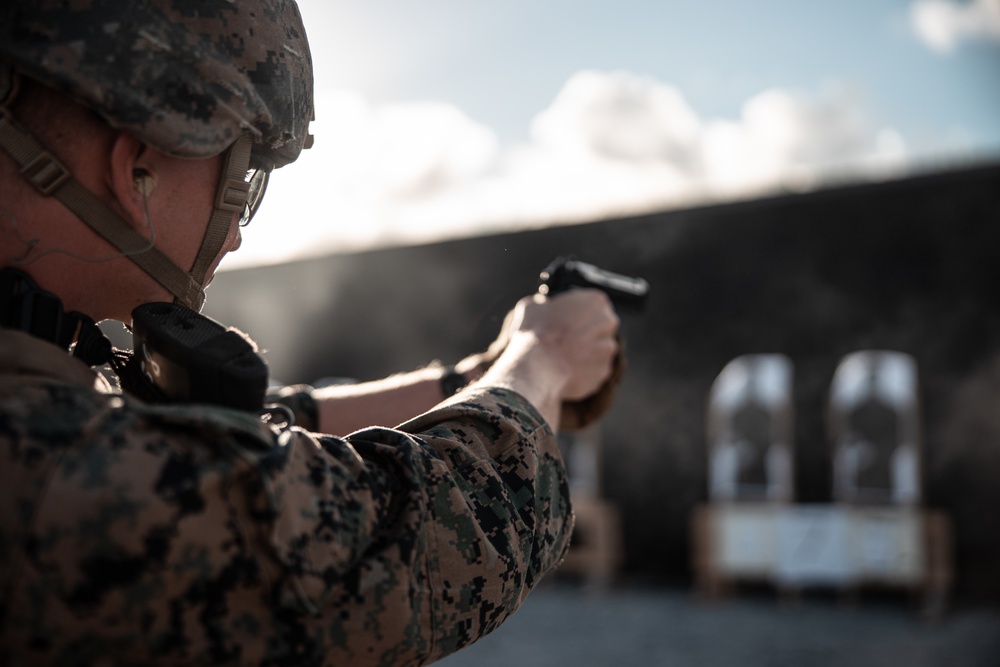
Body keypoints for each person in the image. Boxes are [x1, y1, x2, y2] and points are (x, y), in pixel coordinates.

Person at [0, 1, 620, 665]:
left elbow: (262, 422)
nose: (235, 231)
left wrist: (473, 380)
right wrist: (544, 358)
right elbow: (409, 534)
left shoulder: (37, 357)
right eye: (244, 178)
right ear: (137, 169)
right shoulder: (52, 463)